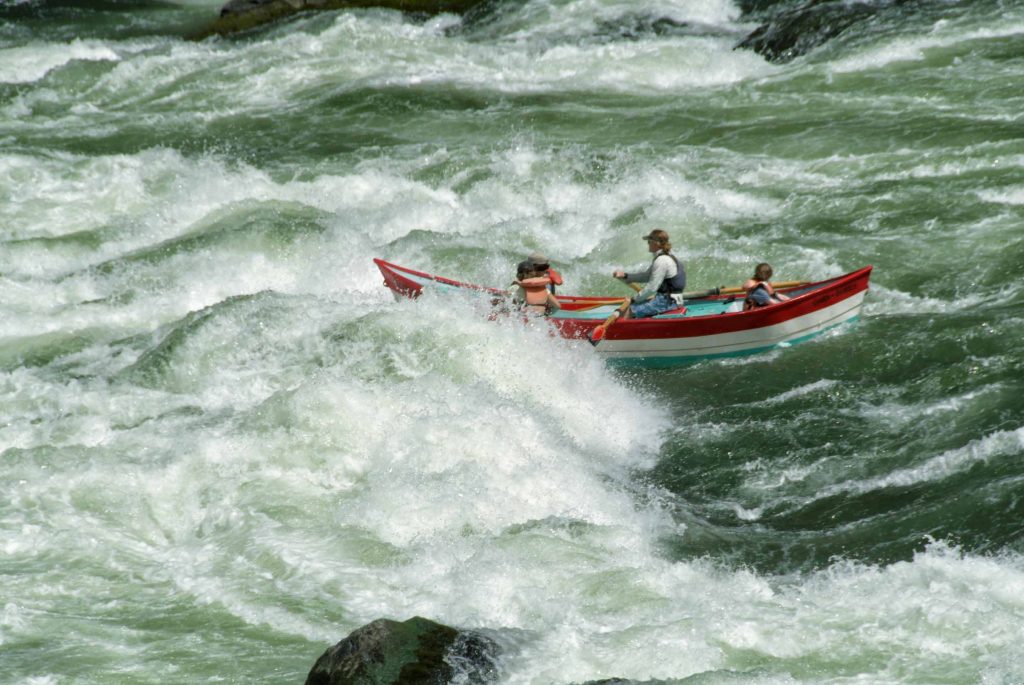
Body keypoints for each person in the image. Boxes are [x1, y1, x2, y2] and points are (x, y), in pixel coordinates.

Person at [610, 229, 686, 320]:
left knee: (628, 309)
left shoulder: (661, 261)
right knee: (635, 304)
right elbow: (646, 276)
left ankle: (622, 332)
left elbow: (651, 288)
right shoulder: (668, 256)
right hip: (674, 300)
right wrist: (625, 276)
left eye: (649, 242)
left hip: (666, 302)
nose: (648, 244)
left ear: (655, 243)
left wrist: (633, 299)